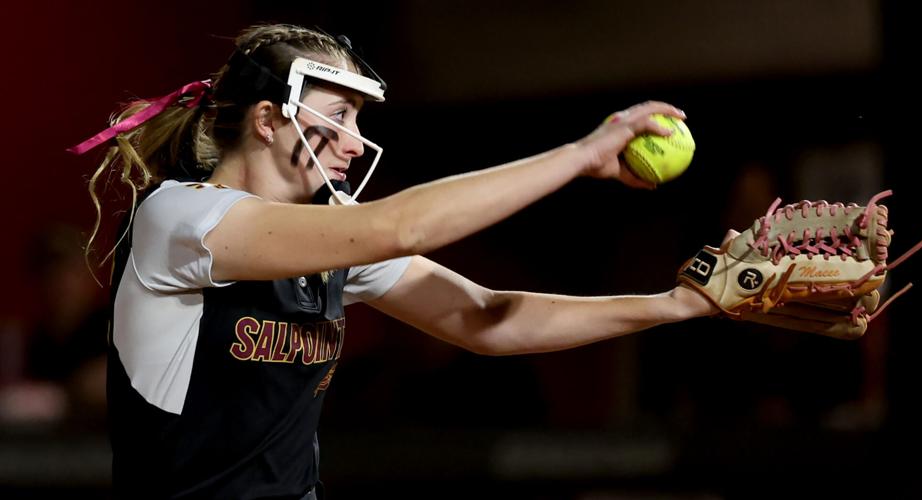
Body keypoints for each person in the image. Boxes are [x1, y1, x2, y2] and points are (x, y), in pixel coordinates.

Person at [71, 23, 717, 500]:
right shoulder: (180, 217)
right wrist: (579, 155)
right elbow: (401, 227)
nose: (355, 142)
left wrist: (676, 305)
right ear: (268, 120)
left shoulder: (330, 240)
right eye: (338, 115)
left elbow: (487, 318)